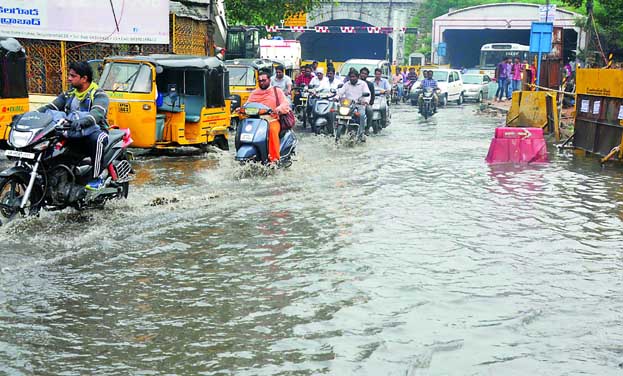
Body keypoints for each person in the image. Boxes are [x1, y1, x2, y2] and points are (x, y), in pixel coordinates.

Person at [38, 61, 110, 190]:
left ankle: (97, 177)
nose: (69, 78)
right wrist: (29, 115)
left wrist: (83, 121)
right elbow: (50, 107)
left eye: (73, 76)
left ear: (84, 78)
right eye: (69, 75)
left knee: (97, 139)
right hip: (72, 130)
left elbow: (97, 113)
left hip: (95, 130)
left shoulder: (99, 94)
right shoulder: (69, 94)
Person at [245, 71, 291, 163]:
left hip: (272, 120)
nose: (262, 82)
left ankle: (274, 160)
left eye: (264, 80)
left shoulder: (277, 91)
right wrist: (241, 109)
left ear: (269, 80)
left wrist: (278, 109)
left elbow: (285, 104)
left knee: (272, 131)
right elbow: (248, 104)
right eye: (260, 81)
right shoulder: (254, 93)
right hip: (256, 120)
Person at [337, 70, 371, 142]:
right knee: (337, 112)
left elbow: (367, 94)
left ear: (357, 77)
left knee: (361, 115)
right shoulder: (346, 84)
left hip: (359, 104)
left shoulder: (363, 84)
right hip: (347, 104)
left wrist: (366, 101)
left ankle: (361, 133)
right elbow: (340, 93)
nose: (352, 78)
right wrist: (336, 98)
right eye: (351, 77)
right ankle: (334, 130)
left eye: (353, 77)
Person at [359, 67, 376, 134]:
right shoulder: (355, 82)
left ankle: (367, 128)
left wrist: (368, 103)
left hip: (365, 103)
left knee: (369, 110)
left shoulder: (370, 84)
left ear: (367, 75)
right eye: (362, 73)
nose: (363, 75)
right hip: (353, 102)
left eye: (365, 74)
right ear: (360, 74)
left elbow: (372, 96)